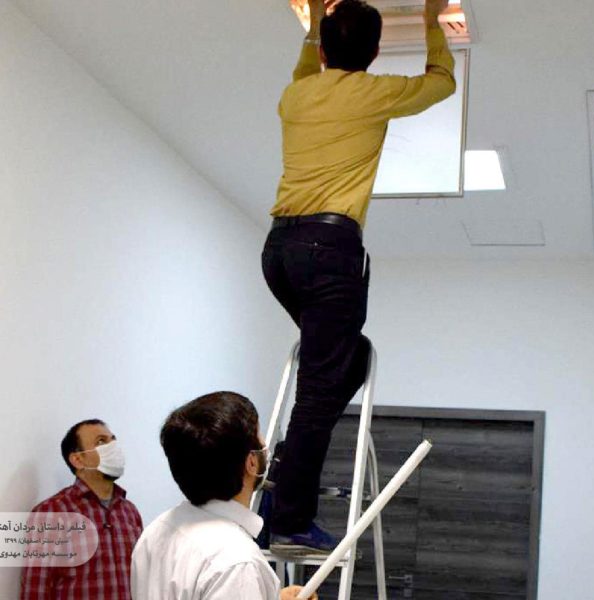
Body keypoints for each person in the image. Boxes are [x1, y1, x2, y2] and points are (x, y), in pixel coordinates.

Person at [262, 0, 456, 552]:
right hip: (329, 251)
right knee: (320, 387)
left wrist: (314, 23)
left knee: (350, 360)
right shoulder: (375, 93)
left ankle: (284, 475)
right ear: (374, 53)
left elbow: (305, 70)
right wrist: (431, 21)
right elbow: (442, 82)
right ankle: (290, 520)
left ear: (323, 50)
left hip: (278, 253)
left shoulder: (296, 95)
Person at [130, 391, 317, 600]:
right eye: (259, 434)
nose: (265, 444)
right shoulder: (237, 562)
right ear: (251, 462)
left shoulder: (158, 529)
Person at [20, 419, 143, 599]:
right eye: (101, 442)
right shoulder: (52, 513)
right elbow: (35, 589)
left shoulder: (129, 512)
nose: (113, 447)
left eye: (113, 440)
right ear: (78, 459)